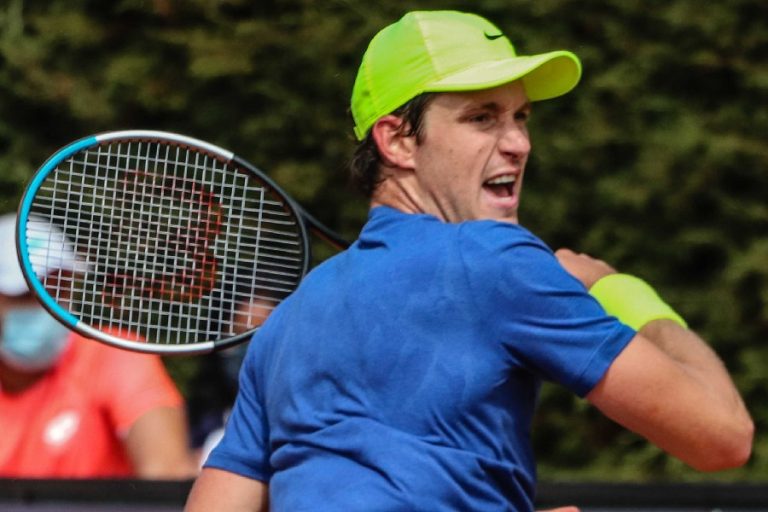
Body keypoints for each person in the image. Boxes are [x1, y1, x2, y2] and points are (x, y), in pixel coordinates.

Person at [185, 10, 754, 511]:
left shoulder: (288, 321)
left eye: (521, 117)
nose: (518, 144)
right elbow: (723, 436)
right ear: (398, 141)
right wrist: (617, 288)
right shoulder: (496, 261)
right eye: (482, 117)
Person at [0, 213, 197, 479]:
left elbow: (167, 473)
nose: (47, 305)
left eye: (59, 287)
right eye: (25, 294)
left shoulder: (114, 353)